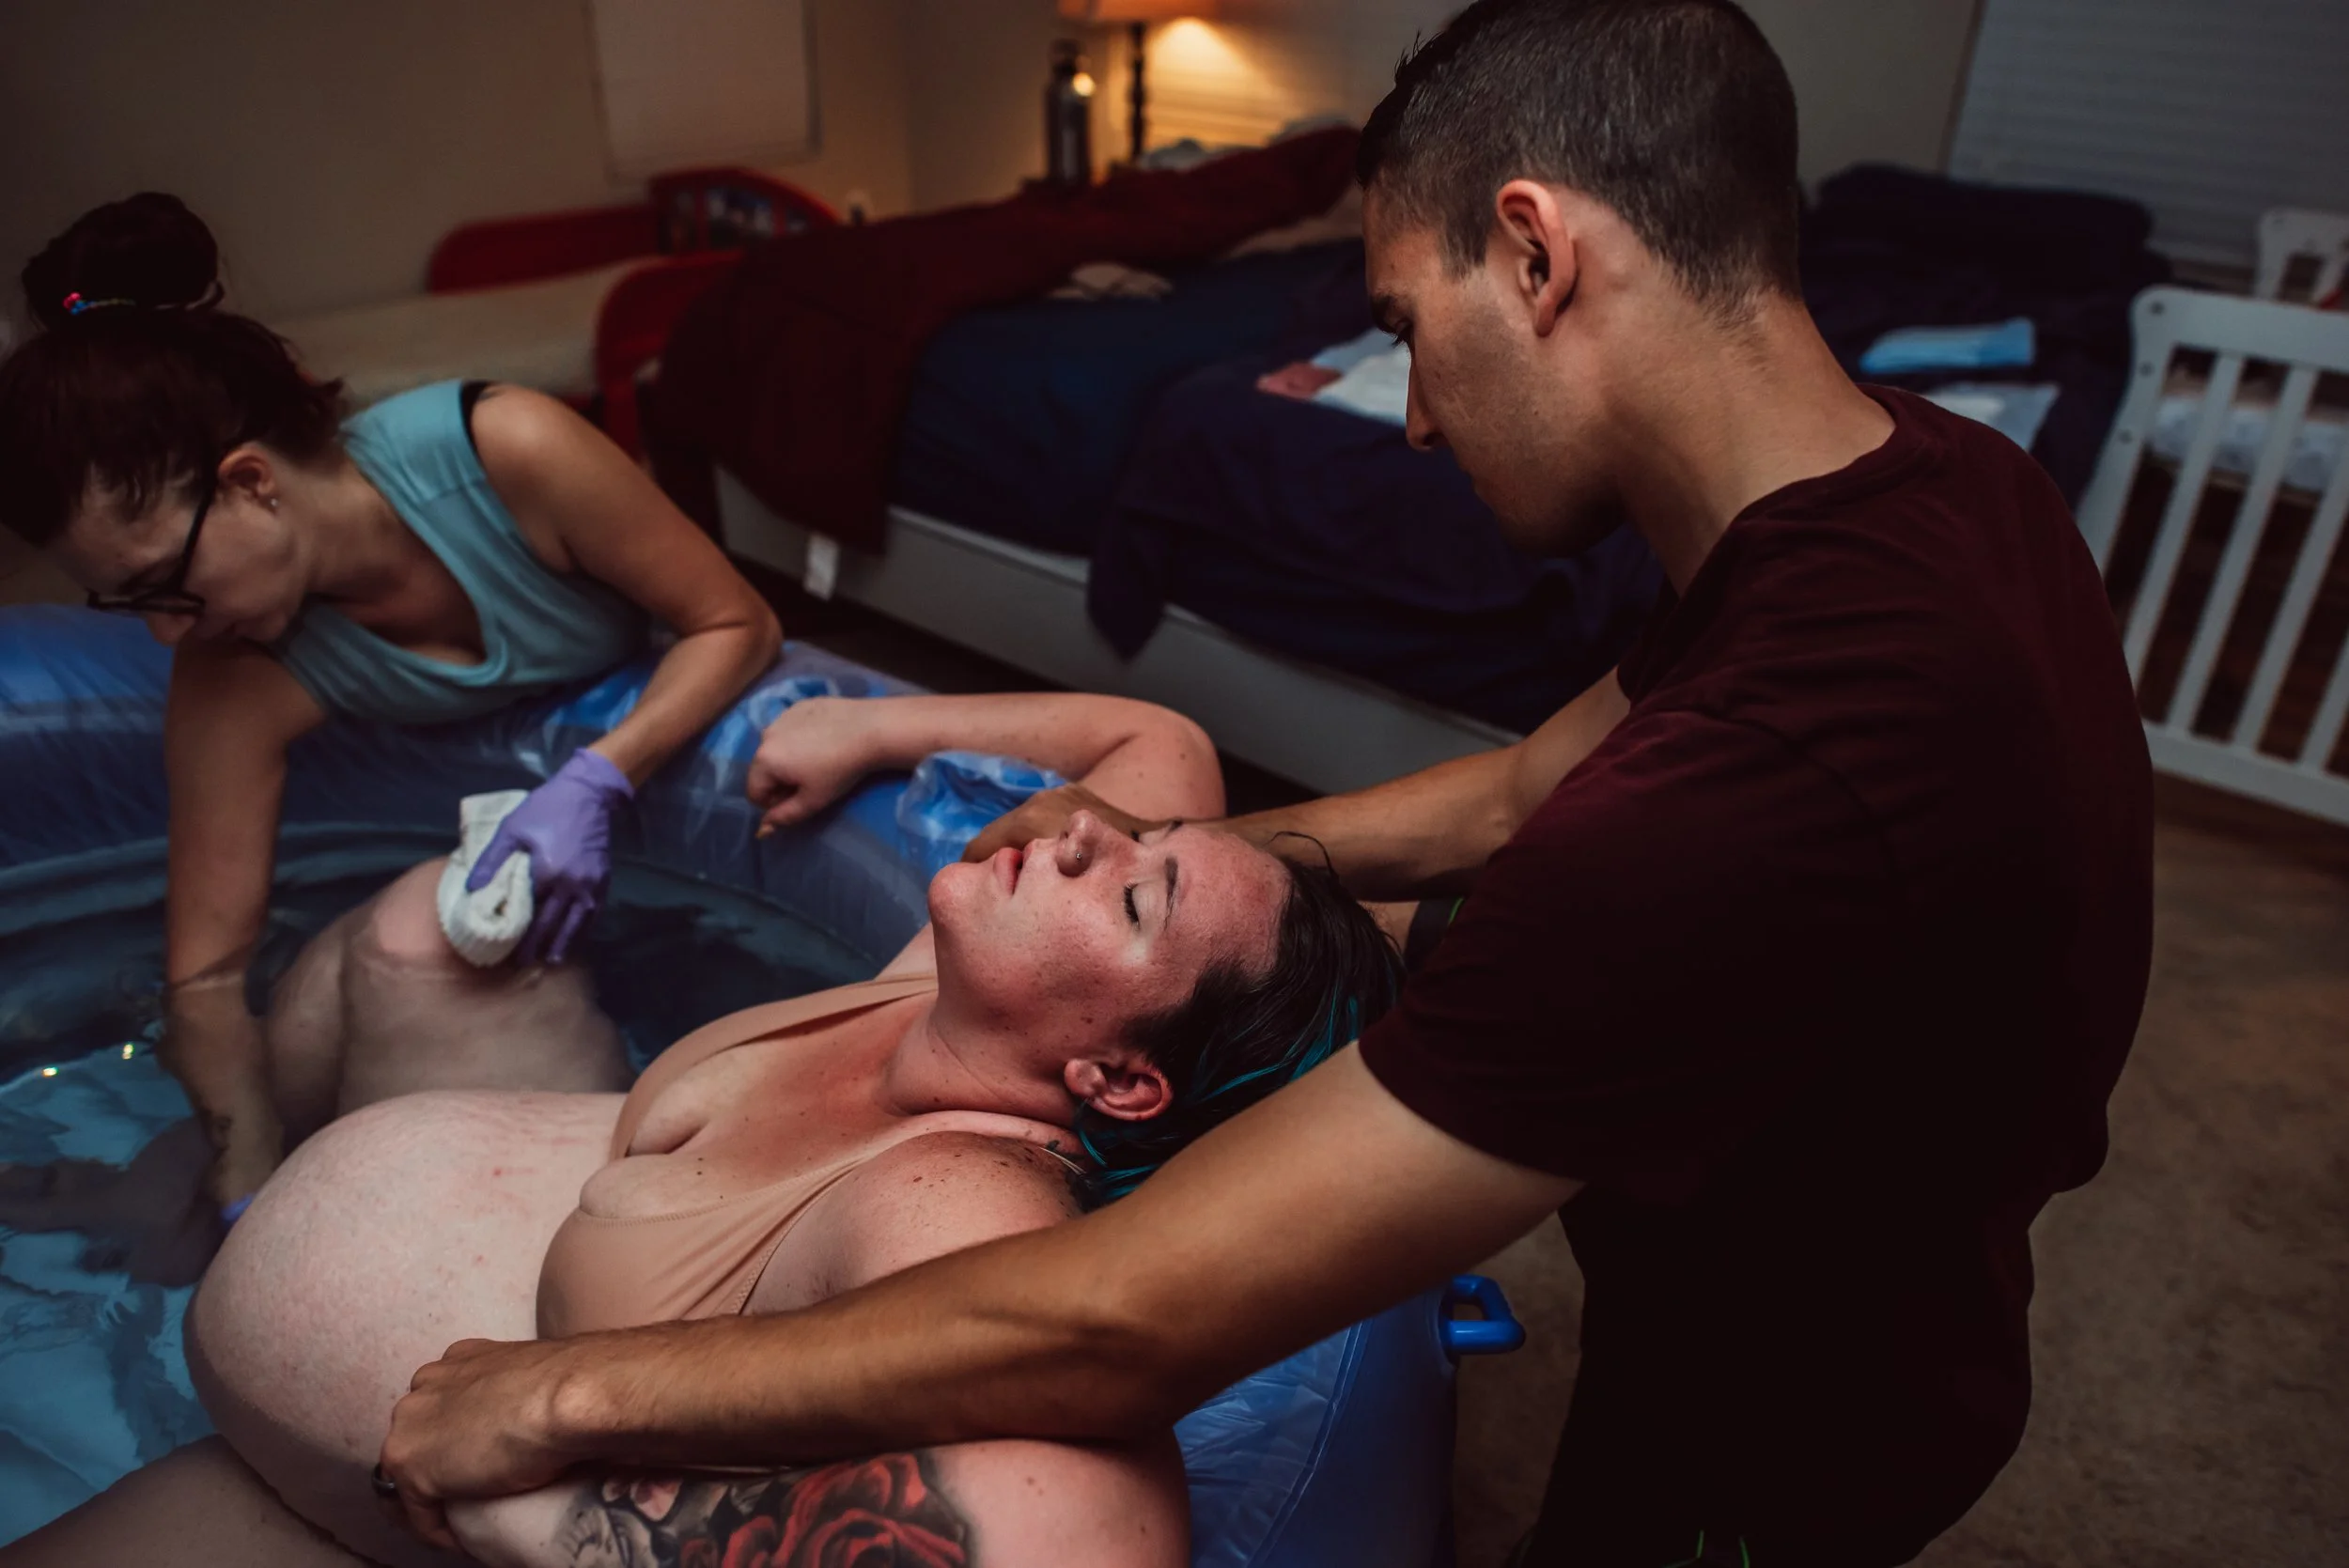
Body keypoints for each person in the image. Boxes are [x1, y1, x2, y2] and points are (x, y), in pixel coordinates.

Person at [369, 3, 2156, 1565]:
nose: (1423, 421)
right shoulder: (1924, 488)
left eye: (1407, 321)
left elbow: (1122, 1323)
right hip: (1825, 1252)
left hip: (1800, 1400)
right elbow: (1526, 783)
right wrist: (1161, 848)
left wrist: (562, 1390)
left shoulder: (1742, 801)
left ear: (1533, 255)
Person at [5, 690, 1401, 1568]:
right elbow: (1162, 740)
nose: (1092, 835)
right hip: (311, 1453)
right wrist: (876, 725)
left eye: (1138, 897)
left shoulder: (956, 1199)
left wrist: (518, 1511)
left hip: (404, 1500)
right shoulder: (946, 998)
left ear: (1116, 1081)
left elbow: (1071, 1531)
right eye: (1134, 844)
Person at [0, 194, 782, 1213]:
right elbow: (203, 977)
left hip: (643, 875)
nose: (162, 632)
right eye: (124, 604)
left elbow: (736, 624)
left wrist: (598, 777)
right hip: (436, 918)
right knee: (249, 1132)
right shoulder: (231, 675)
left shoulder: (510, 454)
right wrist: (247, 1182)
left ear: (250, 483)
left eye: (165, 586)